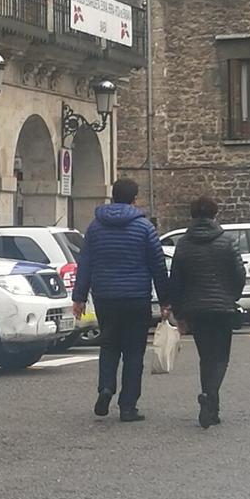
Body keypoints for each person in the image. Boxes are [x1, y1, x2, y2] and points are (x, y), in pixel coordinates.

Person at [72, 178, 171, 422]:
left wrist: (79, 297)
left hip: (105, 296)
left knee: (109, 345)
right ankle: (128, 406)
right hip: (136, 297)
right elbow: (157, 266)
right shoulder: (144, 228)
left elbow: (85, 263)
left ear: (113, 197)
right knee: (134, 353)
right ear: (134, 199)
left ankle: (106, 388)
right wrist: (167, 300)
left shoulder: (95, 227)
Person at [165, 196, 246, 428]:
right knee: (221, 357)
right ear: (215, 214)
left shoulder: (183, 244)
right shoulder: (227, 242)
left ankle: (211, 406)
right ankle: (210, 398)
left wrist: (179, 311)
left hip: (195, 309)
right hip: (222, 307)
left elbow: (176, 280)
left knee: (206, 357)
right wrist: (232, 296)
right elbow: (238, 274)